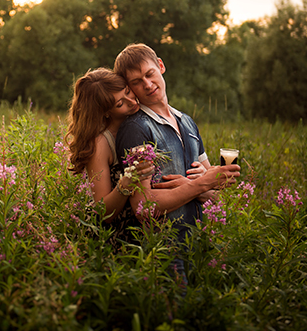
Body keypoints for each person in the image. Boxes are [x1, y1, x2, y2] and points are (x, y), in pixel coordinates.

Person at [114, 43, 240, 244]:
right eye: (137, 82)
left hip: (198, 245)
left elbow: (217, 197)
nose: (147, 84)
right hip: (162, 252)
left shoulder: (188, 122)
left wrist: (198, 185)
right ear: (129, 88)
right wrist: (201, 184)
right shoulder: (136, 128)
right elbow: (143, 207)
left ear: (161, 66)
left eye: (150, 74)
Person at [65, 68, 155, 235]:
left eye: (128, 92)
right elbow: (103, 212)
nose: (132, 102)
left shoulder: (140, 122)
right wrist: (127, 182)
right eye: (120, 104)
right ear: (105, 112)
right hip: (118, 237)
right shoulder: (100, 143)